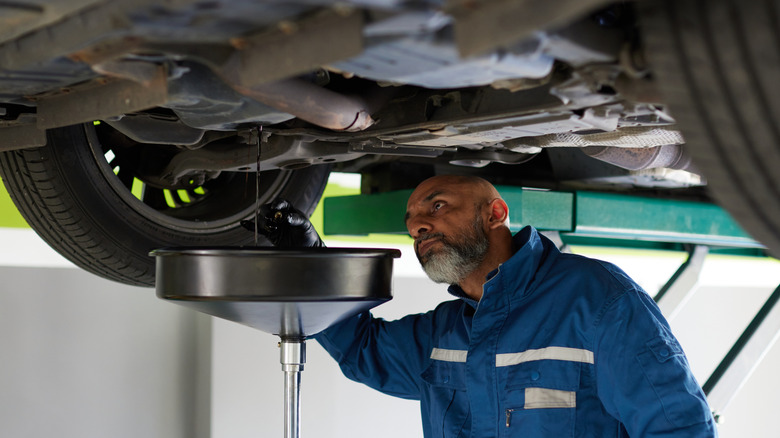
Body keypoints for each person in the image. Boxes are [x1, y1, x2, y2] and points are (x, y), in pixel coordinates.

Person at [254, 175, 718, 437]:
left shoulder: (597, 300)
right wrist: (312, 258)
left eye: (436, 207)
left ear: (495, 214)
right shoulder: (444, 333)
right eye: (412, 223)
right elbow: (363, 349)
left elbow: (678, 428)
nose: (418, 227)